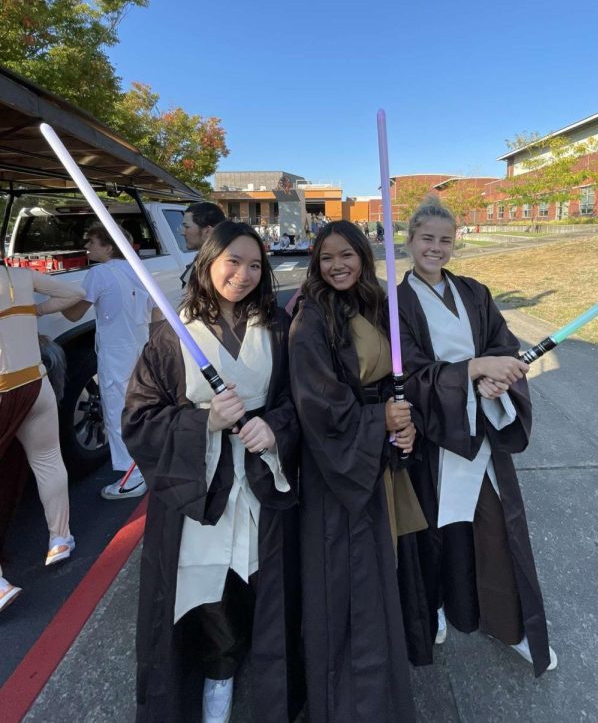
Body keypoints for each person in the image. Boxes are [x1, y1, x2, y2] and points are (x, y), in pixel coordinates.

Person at [123, 221, 303, 723]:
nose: (243, 275)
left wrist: (274, 426)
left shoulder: (277, 328)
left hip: (263, 477)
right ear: (208, 262)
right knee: (208, 593)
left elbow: (294, 401)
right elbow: (139, 417)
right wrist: (204, 422)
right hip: (198, 488)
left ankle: (271, 685)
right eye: (232, 262)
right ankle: (216, 679)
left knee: (264, 587)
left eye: (253, 265)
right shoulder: (171, 328)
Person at [397, 199, 556, 676]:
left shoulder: (474, 291)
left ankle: (511, 625)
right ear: (410, 240)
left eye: (446, 240)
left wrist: (498, 377)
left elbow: (501, 346)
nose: (436, 248)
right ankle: (436, 609)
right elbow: (406, 373)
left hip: (479, 428)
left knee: (494, 527)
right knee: (431, 530)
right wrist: (473, 369)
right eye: (427, 238)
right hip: (430, 436)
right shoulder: (395, 304)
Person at [289, 220, 417, 723]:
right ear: (316, 264)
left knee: (381, 570)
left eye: (348, 255)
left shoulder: (379, 304)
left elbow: (402, 377)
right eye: (327, 258)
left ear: (364, 256)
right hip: (335, 463)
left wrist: (404, 426)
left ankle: (382, 677)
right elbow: (315, 401)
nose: (338, 265)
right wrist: (375, 420)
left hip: (377, 451)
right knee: (344, 577)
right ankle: (344, 698)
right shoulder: (310, 317)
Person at [0, 265, 85, 612]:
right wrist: (32, 310)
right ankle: (60, 538)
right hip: (34, 383)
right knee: (48, 460)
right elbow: (73, 295)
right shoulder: (18, 276)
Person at [63, 223, 155, 499]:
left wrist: (45, 301)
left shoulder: (99, 273)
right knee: (140, 410)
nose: (87, 247)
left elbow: (73, 315)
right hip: (141, 348)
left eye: (91, 242)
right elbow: (156, 313)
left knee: (116, 412)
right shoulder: (138, 270)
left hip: (116, 353)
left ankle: (132, 476)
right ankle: (147, 464)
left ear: (108, 246)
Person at [180, 202, 226, 288]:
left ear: (208, 231)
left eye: (187, 227)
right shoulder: (202, 263)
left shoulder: (217, 268)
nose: (182, 232)